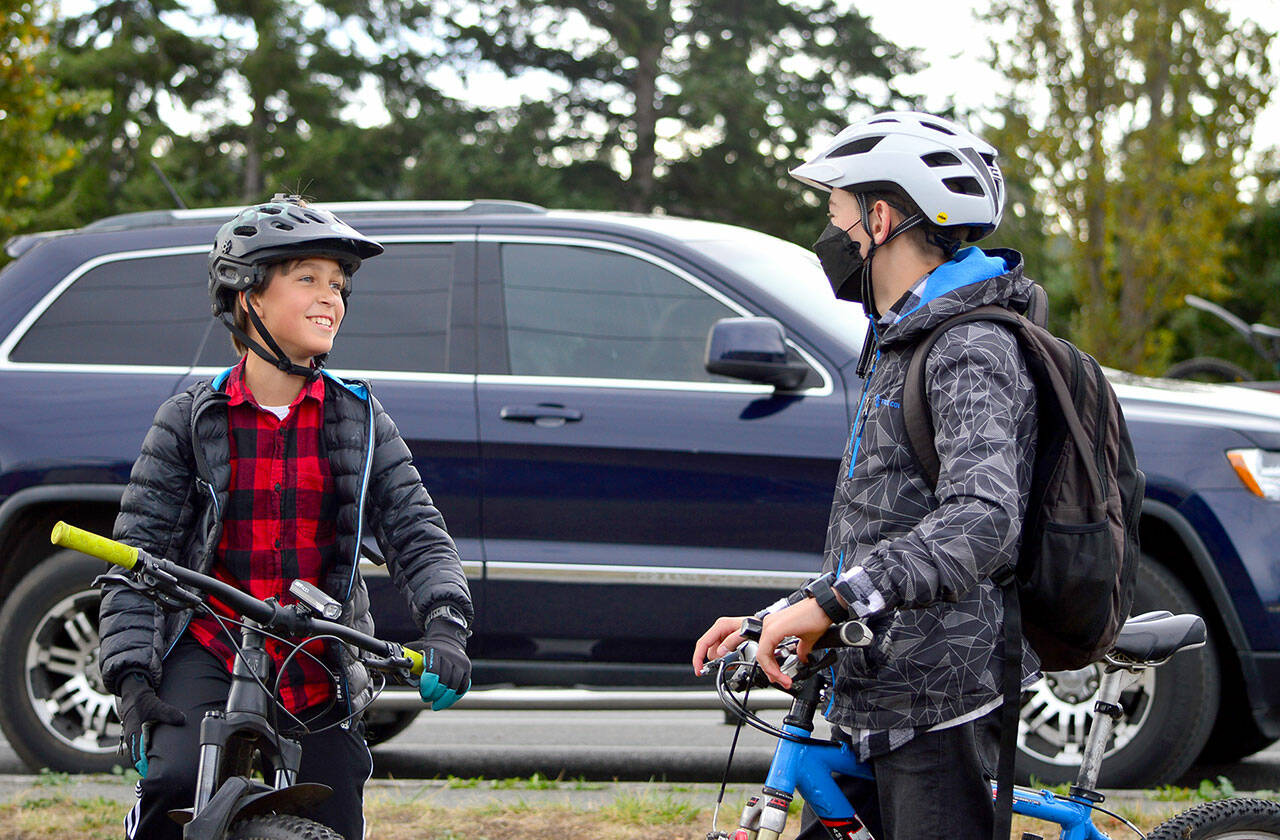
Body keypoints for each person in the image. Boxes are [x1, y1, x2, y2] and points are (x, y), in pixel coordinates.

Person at [692, 112, 1041, 840]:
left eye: (837, 214)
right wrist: (789, 612)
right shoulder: (901, 344)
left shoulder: (967, 346)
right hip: (881, 691)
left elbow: (981, 518)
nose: (831, 237)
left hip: (942, 696)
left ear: (880, 217)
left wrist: (830, 603)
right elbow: (889, 523)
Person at [97, 194, 474, 840]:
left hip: (315, 655)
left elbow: (416, 531)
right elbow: (136, 558)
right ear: (249, 298)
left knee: (336, 805)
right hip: (212, 645)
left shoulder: (357, 417)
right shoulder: (190, 418)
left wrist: (446, 627)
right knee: (171, 781)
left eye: (339, 285)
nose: (332, 298)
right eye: (308, 279)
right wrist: (131, 678)